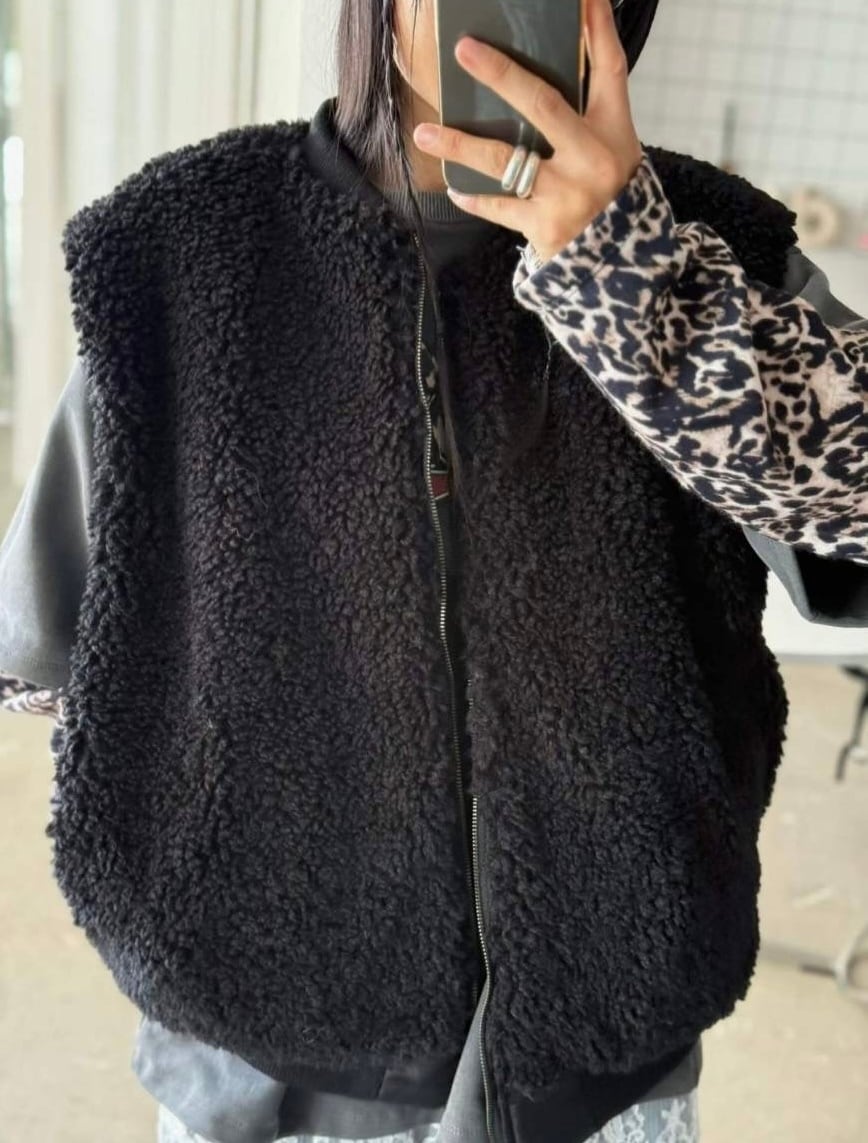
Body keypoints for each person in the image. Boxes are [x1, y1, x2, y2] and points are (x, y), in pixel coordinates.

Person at [1, 1, 867, 1141]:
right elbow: (65, 651)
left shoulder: (714, 244)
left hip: (608, 1037)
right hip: (264, 1039)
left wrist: (640, 286)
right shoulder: (183, 244)